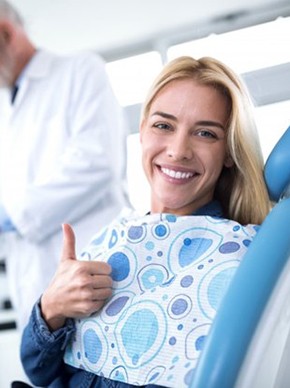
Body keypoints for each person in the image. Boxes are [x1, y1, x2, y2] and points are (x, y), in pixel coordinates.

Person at [20, 56, 271, 388]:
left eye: (206, 133)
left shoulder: (236, 259)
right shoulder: (114, 240)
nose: (178, 150)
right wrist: (51, 308)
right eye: (163, 125)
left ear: (228, 151)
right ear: (141, 132)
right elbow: (40, 371)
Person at [0, 0, 129, 330]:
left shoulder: (80, 71)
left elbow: (98, 163)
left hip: (94, 272)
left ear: (5, 33)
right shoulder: (7, 110)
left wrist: (11, 215)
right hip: (36, 289)